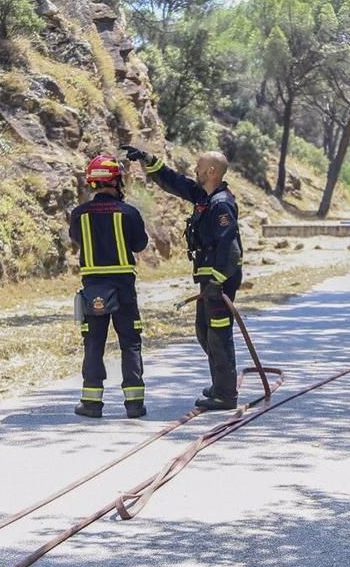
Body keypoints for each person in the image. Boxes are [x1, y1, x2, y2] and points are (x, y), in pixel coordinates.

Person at [120, 144, 242, 411]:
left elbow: (230, 250)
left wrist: (216, 282)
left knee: (218, 335)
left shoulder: (221, 204)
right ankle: (221, 383)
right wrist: (148, 159)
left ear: (211, 171)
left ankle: (225, 394)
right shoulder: (204, 196)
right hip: (208, 280)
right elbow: (175, 182)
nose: (194, 170)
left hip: (219, 281)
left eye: (199, 167)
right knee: (204, 332)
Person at [68, 154, 149, 419]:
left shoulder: (79, 215)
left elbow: (76, 239)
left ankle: (91, 403)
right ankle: (134, 404)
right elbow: (139, 245)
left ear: (91, 183)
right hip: (124, 288)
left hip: (92, 288)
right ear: (116, 180)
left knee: (93, 343)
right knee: (130, 343)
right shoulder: (129, 213)